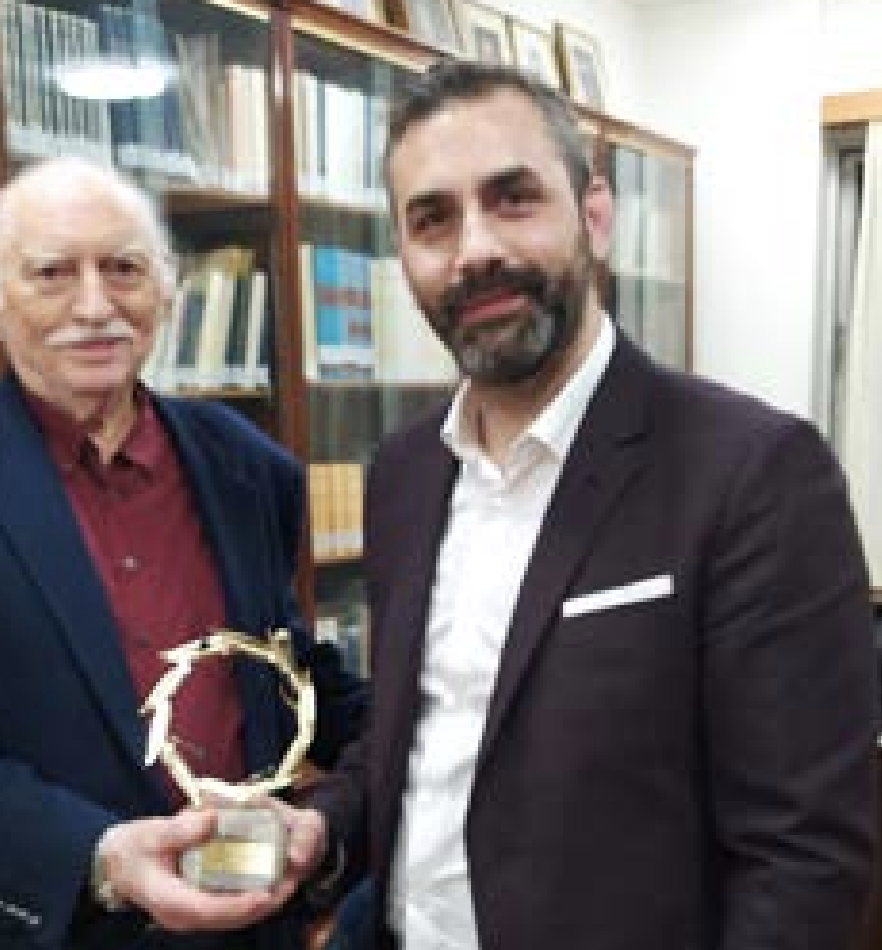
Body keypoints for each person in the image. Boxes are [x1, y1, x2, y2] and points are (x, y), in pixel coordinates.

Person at [298, 60, 881, 949]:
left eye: (513, 198)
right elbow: (422, 732)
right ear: (406, 256)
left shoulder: (754, 474)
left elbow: (804, 860)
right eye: (433, 219)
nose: (474, 249)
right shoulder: (404, 475)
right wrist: (325, 822)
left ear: (595, 216)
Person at [0, 155, 363, 950]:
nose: (95, 306)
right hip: (18, 929)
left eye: (124, 269)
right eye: (52, 273)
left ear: (167, 288)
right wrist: (98, 857)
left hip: (239, 920)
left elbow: (280, 663)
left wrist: (383, 760)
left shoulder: (248, 465)